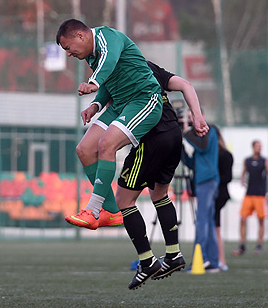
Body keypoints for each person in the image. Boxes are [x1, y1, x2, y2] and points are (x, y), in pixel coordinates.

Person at [75, 60, 209, 289]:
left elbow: (114, 101)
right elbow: (186, 85)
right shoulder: (147, 67)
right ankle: (174, 254)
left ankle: (147, 260)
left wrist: (96, 103)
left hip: (152, 139)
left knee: (123, 201)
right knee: (159, 195)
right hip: (173, 135)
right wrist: (197, 116)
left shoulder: (120, 72)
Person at [56, 19, 162, 240]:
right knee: (84, 149)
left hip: (144, 100)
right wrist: (95, 105)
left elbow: (109, 60)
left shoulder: (107, 38)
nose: (68, 53)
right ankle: (112, 212)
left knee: (106, 144)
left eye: (68, 48)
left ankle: (93, 210)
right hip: (120, 103)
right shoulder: (91, 55)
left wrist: (93, 82)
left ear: (80, 36)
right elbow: (108, 79)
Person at [182, 114, 224, 272]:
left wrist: (186, 133)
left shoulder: (210, 131)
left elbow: (203, 146)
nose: (190, 121)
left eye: (192, 116)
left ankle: (202, 258)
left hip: (207, 180)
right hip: (203, 180)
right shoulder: (198, 137)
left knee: (202, 220)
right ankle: (212, 261)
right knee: (209, 221)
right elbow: (192, 162)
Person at [232, 140, 268, 256]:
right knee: (243, 218)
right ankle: (242, 245)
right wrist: (242, 180)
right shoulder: (247, 161)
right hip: (249, 194)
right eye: (257, 146)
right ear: (253, 147)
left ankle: (259, 245)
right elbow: (243, 173)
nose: (259, 148)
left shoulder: (265, 161)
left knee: (261, 220)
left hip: (260, 196)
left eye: (260, 146)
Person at [215, 137, 233, 271]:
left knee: (215, 227)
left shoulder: (225, 155)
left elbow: (228, 177)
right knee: (214, 227)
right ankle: (219, 259)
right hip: (216, 193)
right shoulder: (212, 154)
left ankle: (221, 260)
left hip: (219, 194)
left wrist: (213, 178)